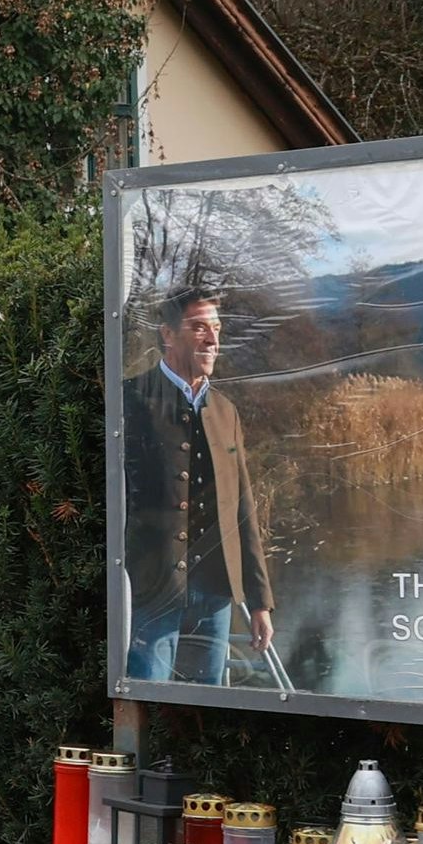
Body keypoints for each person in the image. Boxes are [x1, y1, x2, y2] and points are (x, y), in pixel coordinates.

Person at [123, 282, 275, 685]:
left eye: (218, 328)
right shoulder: (130, 400)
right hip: (150, 592)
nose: (212, 339)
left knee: (205, 718)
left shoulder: (226, 412)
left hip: (215, 596)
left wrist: (260, 602)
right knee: (148, 702)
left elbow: (243, 509)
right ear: (167, 334)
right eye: (199, 327)